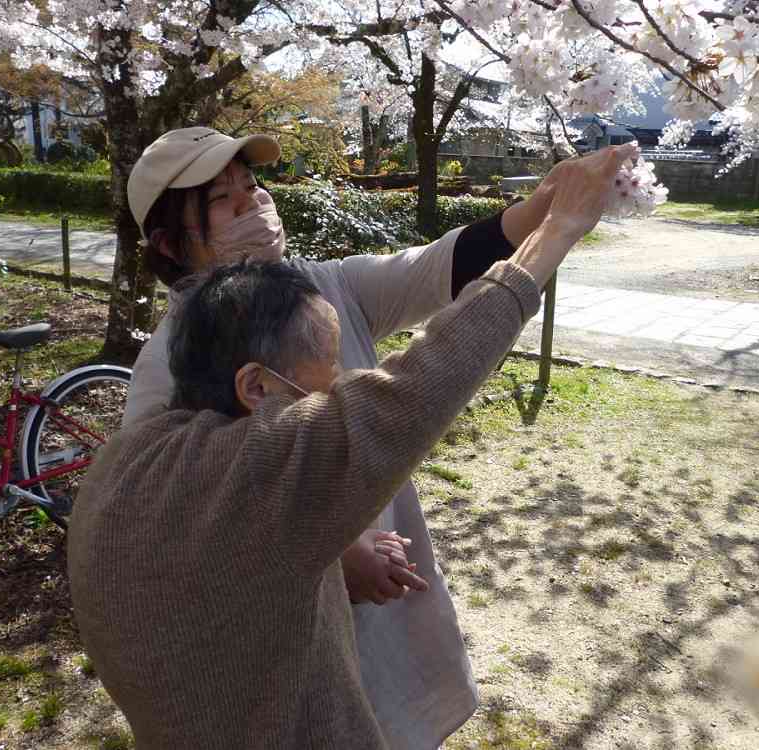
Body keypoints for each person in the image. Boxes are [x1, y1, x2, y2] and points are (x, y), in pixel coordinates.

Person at [68, 141, 638, 748]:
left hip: (374, 613)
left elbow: (442, 265)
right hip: (280, 644)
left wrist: (539, 209)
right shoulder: (165, 365)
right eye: (221, 200)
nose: (253, 203)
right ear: (169, 244)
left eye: (252, 184)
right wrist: (336, 543)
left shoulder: (317, 287)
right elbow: (206, 514)